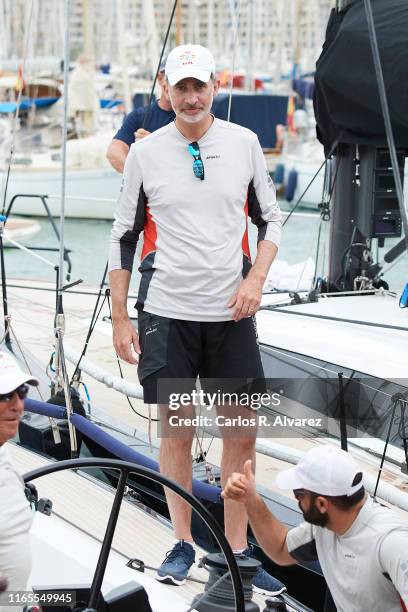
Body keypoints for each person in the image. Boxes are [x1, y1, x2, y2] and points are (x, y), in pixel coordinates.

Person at [108, 43, 283, 594]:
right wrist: (119, 318)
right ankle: (183, 541)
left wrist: (255, 280)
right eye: (180, 87)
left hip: (231, 313)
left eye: (198, 86)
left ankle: (234, 548)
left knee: (242, 435)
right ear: (167, 88)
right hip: (168, 314)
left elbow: (271, 221)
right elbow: (123, 238)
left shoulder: (245, 144)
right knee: (177, 432)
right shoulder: (146, 153)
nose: (189, 97)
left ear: (214, 87)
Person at [222, 445, 408, 612]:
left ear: (321, 504)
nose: (297, 501)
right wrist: (251, 499)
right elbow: (280, 548)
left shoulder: (392, 543)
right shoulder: (325, 527)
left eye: (299, 494)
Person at [0, 351, 39, 611]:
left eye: (21, 392)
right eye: (5, 396)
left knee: (77, 601)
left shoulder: (3, 450)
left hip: (16, 601)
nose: (17, 406)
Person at [106, 58, 175, 173]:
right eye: (170, 78)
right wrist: (136, 174)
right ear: (160, 79)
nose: (172, 84)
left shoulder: (193, 117)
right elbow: (114, 151)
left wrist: (154, 144)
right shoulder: (139, 116)